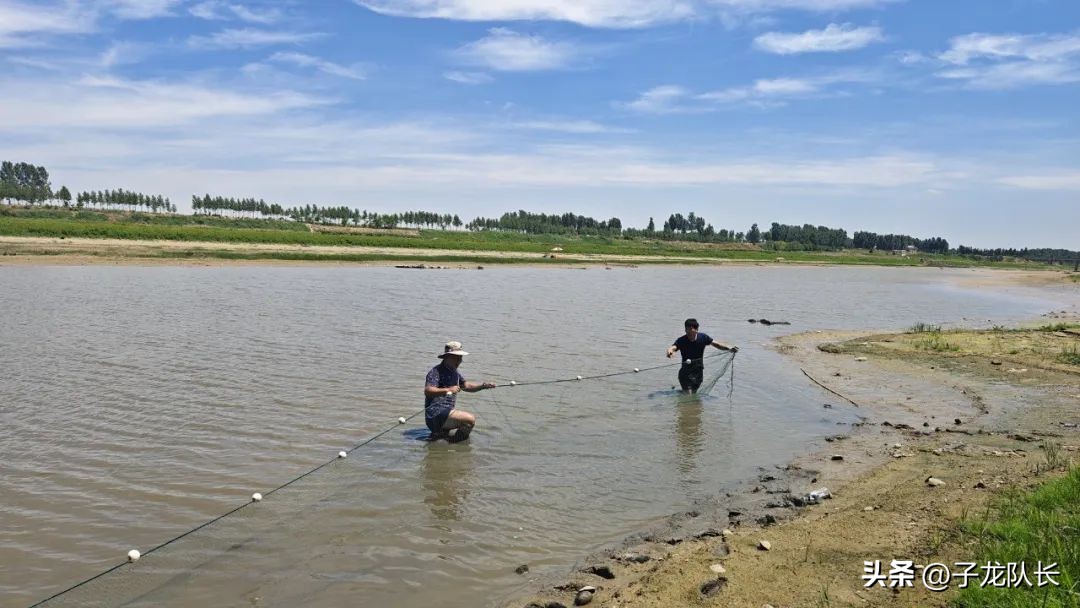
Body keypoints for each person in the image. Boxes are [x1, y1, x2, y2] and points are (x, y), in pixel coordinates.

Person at [424, 341, 495, 442]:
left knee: (439, 441)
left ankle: (445, 443)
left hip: (447, 414)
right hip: (435, 414)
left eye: (460, 358)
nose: (459, 361)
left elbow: (466, 386)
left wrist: (483, 386)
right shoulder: (436, 371)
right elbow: (428, 390)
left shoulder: (454, 372)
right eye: (456, 357)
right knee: (470, 420)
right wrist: (448, 389)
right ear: (447, 357)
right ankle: (455, 445)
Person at [666, 318, 738, 394]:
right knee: (689, 395)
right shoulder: (681, 340)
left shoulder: (703, 338)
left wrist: (729, 348)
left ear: (696, 329)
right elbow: (673, 347)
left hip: (698, 372)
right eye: (686, 329)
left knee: (693, 394)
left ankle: (682, 398)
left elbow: (717, 344)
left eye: (690, 329)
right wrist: (669, 351)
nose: (688, 331)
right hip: (685, 373)